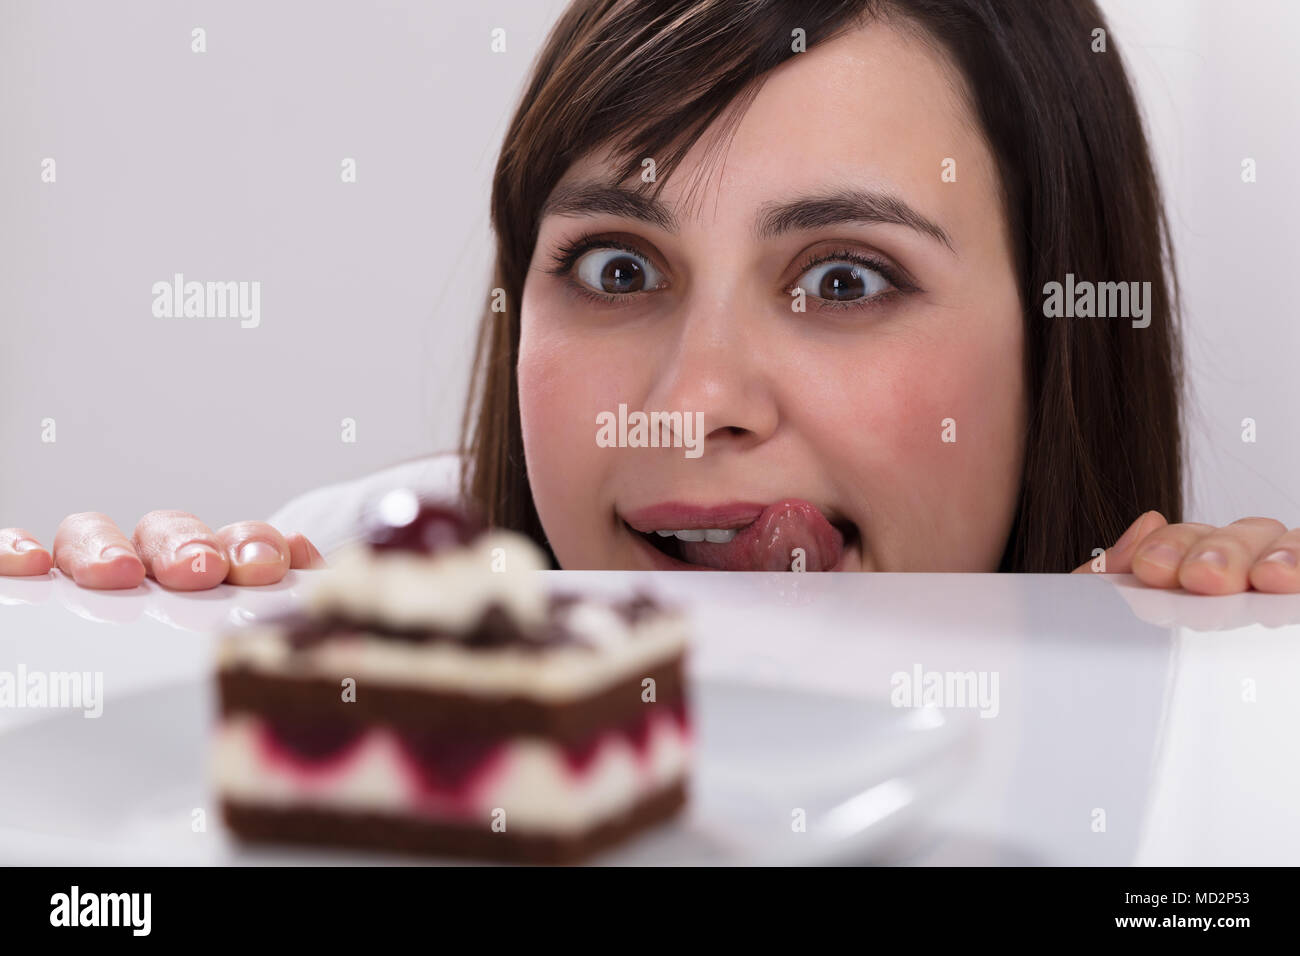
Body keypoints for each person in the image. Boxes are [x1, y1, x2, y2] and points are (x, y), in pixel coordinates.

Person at [2, 0, 1296, 594]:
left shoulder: (1193, 691)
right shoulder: (353, 586)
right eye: (619, 270)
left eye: (845, 279)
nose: (690, 408)